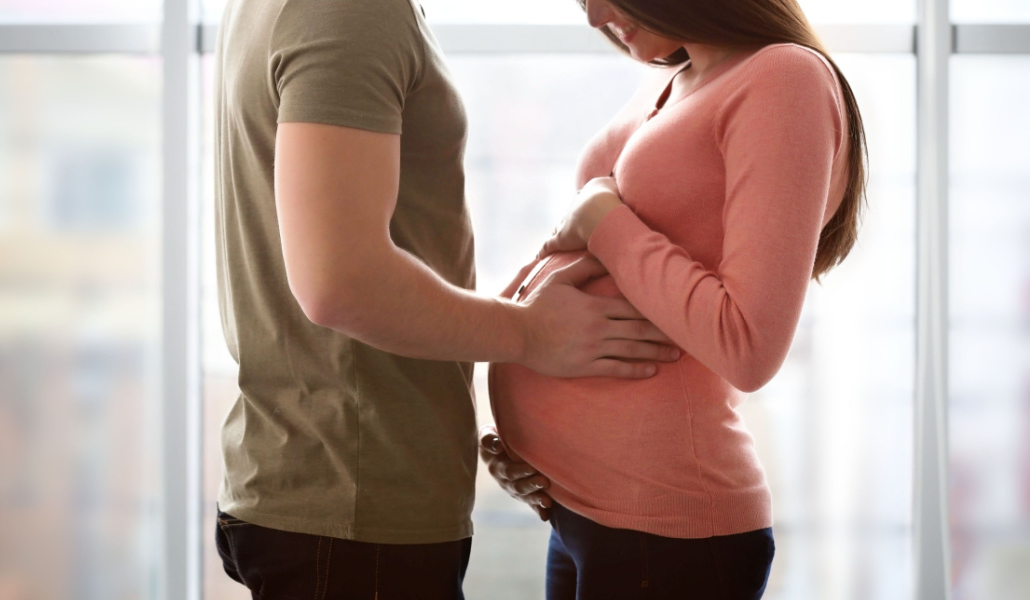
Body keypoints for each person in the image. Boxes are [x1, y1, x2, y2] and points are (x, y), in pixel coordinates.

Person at [208, 0, 683, 597]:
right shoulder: (350, 10)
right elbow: (341, 282)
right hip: (356, 504)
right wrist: (533, 334)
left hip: (332, 488)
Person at [482, 0, 868, 598]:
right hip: (580, 510)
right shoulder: (671, 78)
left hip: (666, 532)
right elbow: (587, 257)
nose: (593, 17)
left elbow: (748, 345)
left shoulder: (784, 77)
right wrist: (528, 439)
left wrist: (602, 215)